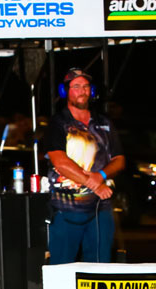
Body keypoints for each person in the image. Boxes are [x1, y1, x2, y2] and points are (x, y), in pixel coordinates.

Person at [43, 68, 125, 264]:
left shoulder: (104, 122)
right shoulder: (58, 123)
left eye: (86, 86)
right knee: (62, 267)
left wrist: (101, 175)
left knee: (100, 268)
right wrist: (95, 184)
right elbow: (60, 162)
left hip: (101, 208)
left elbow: (119, 160)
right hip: (66, 207)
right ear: (65, 92)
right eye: (76, 86)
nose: (82, 91)